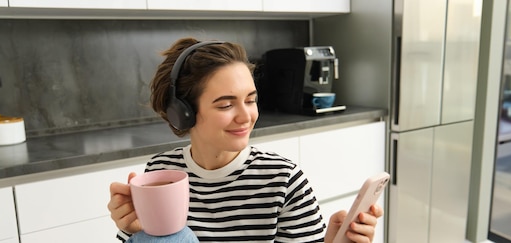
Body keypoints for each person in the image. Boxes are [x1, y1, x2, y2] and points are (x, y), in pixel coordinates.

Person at [108, 37, 383, 242]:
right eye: (226, 105)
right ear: (183, 113)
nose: (246, 116)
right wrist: (135, 232)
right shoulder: (159, 175)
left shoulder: (283, 180)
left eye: (250, 100)